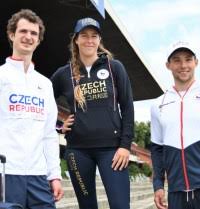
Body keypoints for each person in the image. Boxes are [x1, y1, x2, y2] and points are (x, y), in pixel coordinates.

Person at [51, 17, 134, 209]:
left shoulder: (115, 68)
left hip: (113, 151)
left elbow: (128, 107)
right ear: (76, 40)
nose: (89, 40)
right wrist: (58, 125)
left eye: (94, 36)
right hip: (78, 152)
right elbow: (42, 100)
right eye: (84, 36)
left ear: (99, 40)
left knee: (120, 205)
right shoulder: (64, 74)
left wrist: (125, 145)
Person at [0, 9, 63, 208]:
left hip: (38, 176)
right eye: (23, 31)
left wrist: (55, 175)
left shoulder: (45, 84)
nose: (28, 37)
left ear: (38, 40)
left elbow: (49, 134)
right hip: (6, 173)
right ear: (12, 35)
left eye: (34, 33)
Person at [151, 40, 200, 209]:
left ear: (196, 62)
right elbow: (157, 148)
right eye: (177, 60)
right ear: (168, 65)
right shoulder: (158, 104)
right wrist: (158, 185)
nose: (183, 65)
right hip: (176, 192)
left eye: (188, 59)